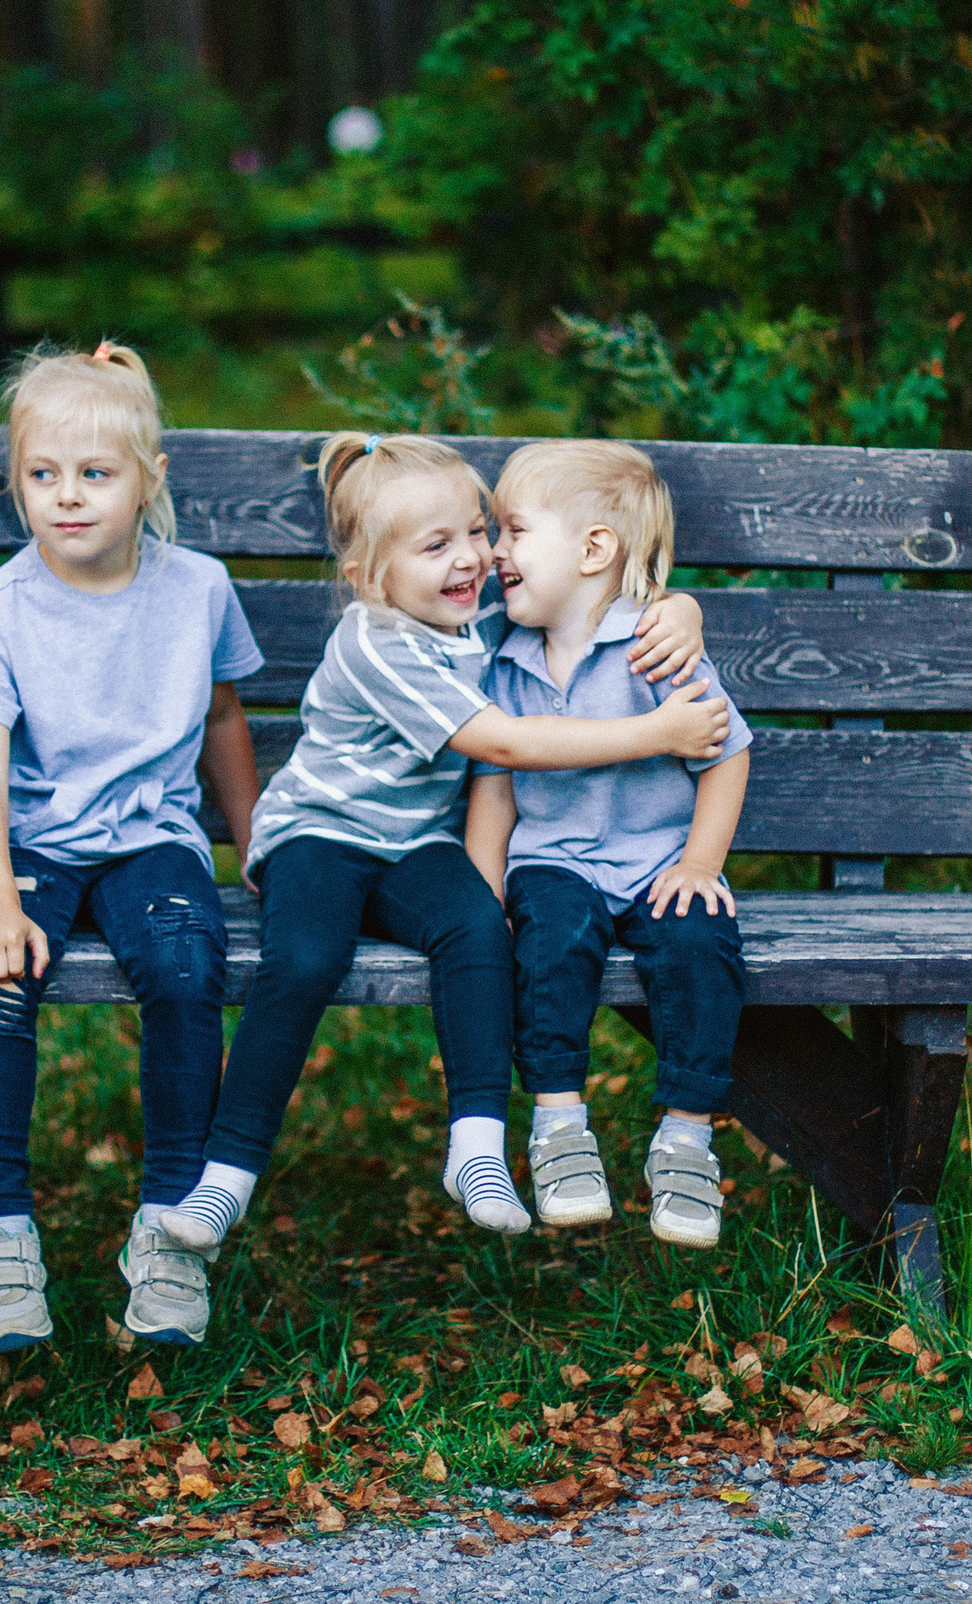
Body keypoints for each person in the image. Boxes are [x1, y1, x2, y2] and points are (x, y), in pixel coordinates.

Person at [157, 433, 727, 1258]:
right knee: (306, 956)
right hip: (321, 834)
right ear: (369, 577)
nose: (473, 558)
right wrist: (657, 730)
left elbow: (583, 599)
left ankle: (478, 1150)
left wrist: (681, 607)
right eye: (437, 545)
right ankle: (226, 1176)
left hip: (413, 842)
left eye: (478, 530)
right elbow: (504, 743)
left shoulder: (479, 617)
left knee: (477, 926)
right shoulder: (377, 640)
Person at [0, 342, 265, 1354]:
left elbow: (220, 718)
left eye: (95, 475)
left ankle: (170, 1228)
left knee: (183, 968)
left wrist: (256, 840)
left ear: (148, 480)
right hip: (29, 841)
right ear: (17, 481)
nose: (67, 498)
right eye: (42, 476)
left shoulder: (197, 589)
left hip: (151, 839)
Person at [464, 441, 751, 1248]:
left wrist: (700, 863)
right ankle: (558, 1126)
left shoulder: (656, 645)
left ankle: (687, 1137)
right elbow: (493, 781)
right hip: (555, 861)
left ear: (594, 549)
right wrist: (483, 896)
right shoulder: (506, 655)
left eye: (515, 531)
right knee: (549, 943)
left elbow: (727, 752)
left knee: (700, 943)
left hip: (660, 860)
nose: (495, 551)